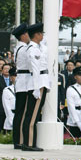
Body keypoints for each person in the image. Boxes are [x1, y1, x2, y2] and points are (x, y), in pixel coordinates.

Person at [22, 22, 48, 151]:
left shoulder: (37, 47)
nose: (43, 36)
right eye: (41, 33)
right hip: (37, 82)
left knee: (33, 114)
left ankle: (29, 142)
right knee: (32, 116)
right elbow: (36, 69)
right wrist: (37, 88)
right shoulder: (33, 49)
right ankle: (29, 143)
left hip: (38, 81)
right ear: (37, 35)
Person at [12, 23, 30, 149]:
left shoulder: (19, 48)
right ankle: (19, 139)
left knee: (20, 112)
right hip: (24, 82)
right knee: (22, 113)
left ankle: (18, 139)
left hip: (22, 81)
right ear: (23, 35)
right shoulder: (24, 49)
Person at [66, 66, 81, 138]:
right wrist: (78, 123)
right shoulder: (71, 89)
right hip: (75, 121)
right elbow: (71, 108)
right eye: (79, 75)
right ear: (75, 77)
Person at [1, 67, 17, 134]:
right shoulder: (7, 90)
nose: (17, 77)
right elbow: (7, 108)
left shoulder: (26, 90)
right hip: (11, 123)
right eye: (15, 75)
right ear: (10, 77)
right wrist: (12, 122)